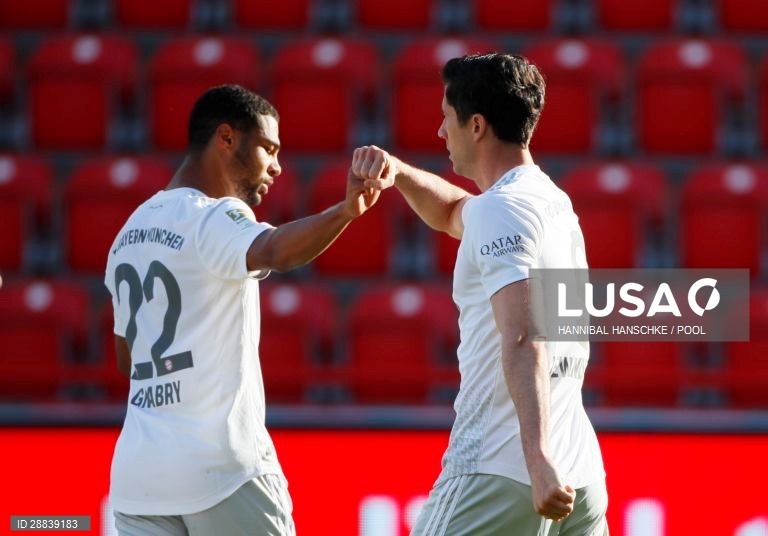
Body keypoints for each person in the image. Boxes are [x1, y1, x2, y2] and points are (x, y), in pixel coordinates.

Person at [104, 84, 379, 535]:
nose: (277, 165)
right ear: (226, 138)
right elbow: (273, 250)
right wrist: (345, 212)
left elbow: (126, 360)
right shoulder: (213, 216)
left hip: (140, 479)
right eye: (269, 148)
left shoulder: (128, 232)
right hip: (222, 470)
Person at [351, 53, 608, 535]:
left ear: (476, 125)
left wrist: (538, 460)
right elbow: (453, 213)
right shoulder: (549, 201)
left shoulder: (501, 211)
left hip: (502, 466)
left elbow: (522, 336)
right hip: (581, 469)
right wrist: (399, 172)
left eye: (446, 118)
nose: (439, 133)